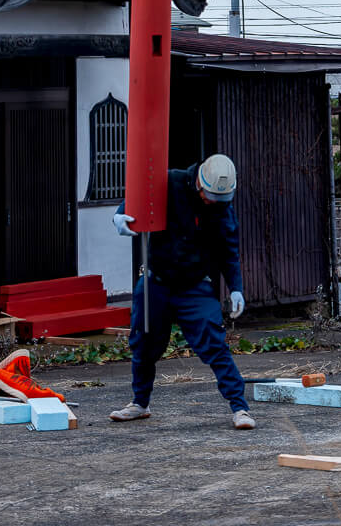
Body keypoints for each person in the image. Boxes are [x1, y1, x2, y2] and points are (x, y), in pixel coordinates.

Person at [109, 154, 254, 429]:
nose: (213, 202)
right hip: (156, 280)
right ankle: (140, 403)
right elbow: (140, 197)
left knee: (214, 342)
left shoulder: (222, 207)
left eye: (220, 199)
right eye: (210, 196)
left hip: (195, 285)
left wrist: (236, 288)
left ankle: (240, 408)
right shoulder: (168, 182)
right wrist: (120, 213)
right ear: (200, 182)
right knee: (143, 342)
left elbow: (229, 250)